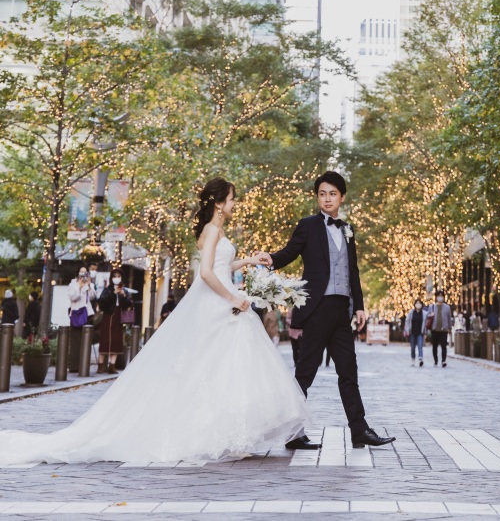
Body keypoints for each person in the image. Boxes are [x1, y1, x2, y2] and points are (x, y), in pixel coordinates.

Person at [0, 177, 311, 464]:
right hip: (218, 303)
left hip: (222, 301)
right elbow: (206, 273)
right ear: (219, 203)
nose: (234, 203)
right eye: (231, 199)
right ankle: (209, 432)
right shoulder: (213, 230)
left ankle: (226, 432)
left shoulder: (215, 231)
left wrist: (248, 260)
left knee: (221, 366)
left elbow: (221, 266)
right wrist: (232, 298)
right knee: (212, 366)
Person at [262, 170, 395, 450]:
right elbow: (290, 252)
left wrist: (359, 307)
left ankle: (359, 430)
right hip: (317, 308)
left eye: (332, 194)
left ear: (342, 197)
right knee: (306, 372)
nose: (327, 199)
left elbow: (353, 271)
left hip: (341, 310)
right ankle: (293, 433)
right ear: (317, 197)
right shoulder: (308, 225)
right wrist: (271, 259)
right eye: (322, 194)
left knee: (348, 371)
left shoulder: (348, 229)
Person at [96, 268, 133, 374]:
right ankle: (100, 366)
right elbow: (102, 301)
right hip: (108, 315)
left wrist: (124, 296)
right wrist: (113, 293)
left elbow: (129, 304)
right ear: (111, 278)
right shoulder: (108, 289)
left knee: (116, 341)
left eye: (118, 276)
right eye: (114, 276)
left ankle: (112, 365)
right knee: (105, 340)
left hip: (118, 317)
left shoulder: (124, 290)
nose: (116, 278)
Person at [67, 267, 97, 372]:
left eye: (85, 272)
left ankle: (84, 366)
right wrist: (79, 286)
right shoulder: (72, 284)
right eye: (81, 271)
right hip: (76, 314)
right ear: (78, 273)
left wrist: (88, 285)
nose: (83, 274)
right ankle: (74, 366)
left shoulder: (89, 284)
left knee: (86, 341)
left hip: (87, 314)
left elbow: (93, 296)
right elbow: (73, 297)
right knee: (75, 341)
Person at [428, 291, 452, 367]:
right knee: (434, 346)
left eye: (441, 296)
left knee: (444, 346)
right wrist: (431, 315)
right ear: (436, 297)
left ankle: (443, 360)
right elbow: (427, 316)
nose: (440, 297)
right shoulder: (432, 306)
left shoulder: (447, 307)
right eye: (438, 296)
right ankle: (436, 360)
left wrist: (449, 327)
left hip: (444, 329)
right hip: (434, 329)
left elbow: (449, 318)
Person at [404, 299, 425, 367]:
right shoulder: (411, 312)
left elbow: (425, 323)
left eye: (419, 303)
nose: (418, 305)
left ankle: (420, 359)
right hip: (412, 332)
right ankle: (413, 359)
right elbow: (407, 321)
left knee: (420, 346)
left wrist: (425, 332)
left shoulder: (424, 313)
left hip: (420, 333)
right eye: (417, 303)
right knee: (413, 347)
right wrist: (407, 330)